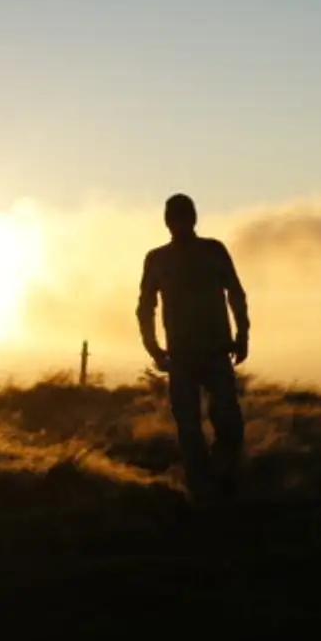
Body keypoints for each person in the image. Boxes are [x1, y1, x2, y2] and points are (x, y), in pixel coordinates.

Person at [137, 194, 250, 502]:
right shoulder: (158, 259)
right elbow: (145, 306)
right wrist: (154, 349)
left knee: (228, 425)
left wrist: (243, 335)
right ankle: (203, 492)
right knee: (189, 429)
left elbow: (235, 294)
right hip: (183, 356)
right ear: (168, 221)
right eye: (175, 216)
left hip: (215, 351)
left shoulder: (213, 250)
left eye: (185, 215)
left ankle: (221, 482)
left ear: (194, 217)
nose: (180, 222)